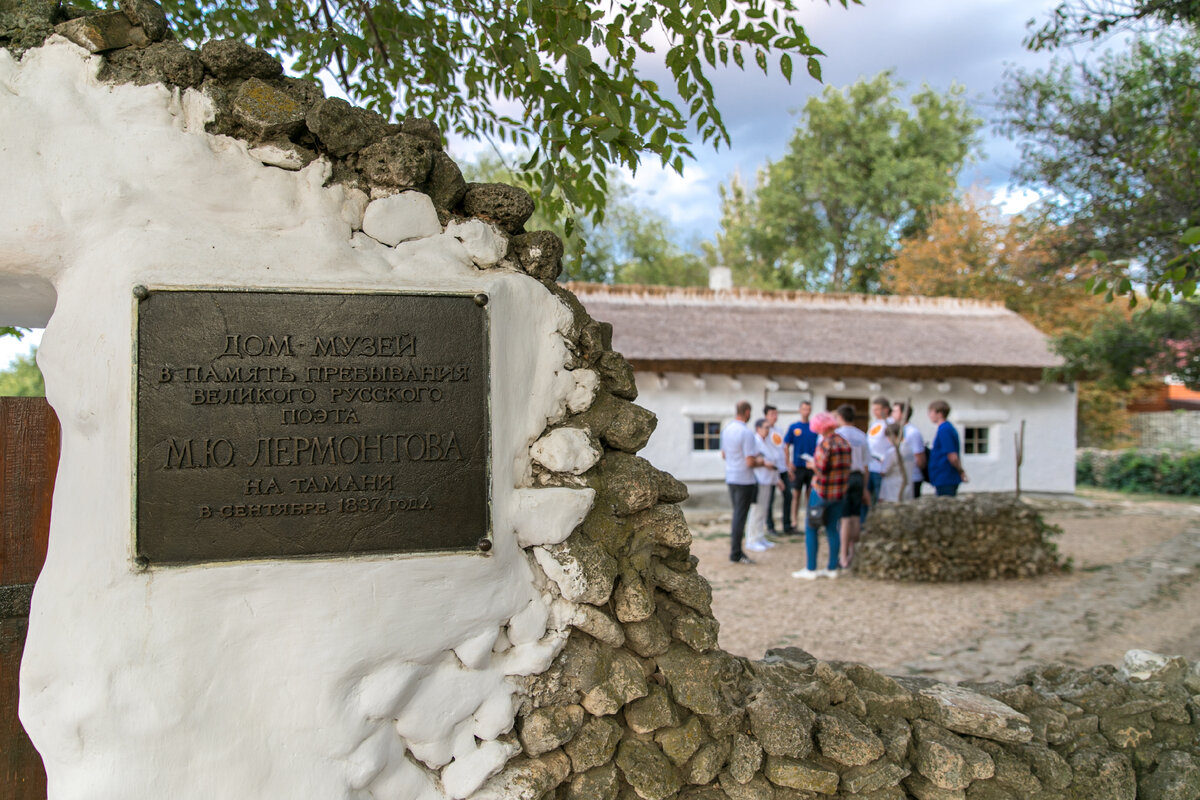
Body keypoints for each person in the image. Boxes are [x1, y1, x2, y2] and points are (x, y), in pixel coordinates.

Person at [791, 412, 849, 580]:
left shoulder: (825, 444)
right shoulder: (844, 442)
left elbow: (821, 469)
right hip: (839, 492)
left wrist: (811, 465)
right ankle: (832, 567)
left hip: (822, 491)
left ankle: (811, 568)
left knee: (811, 527)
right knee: (832, 528)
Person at [721, 400, 761, 563]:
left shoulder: (727, 429)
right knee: (740, 516)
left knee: (737, 513)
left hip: (731, 476)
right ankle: (736, 552)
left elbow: (724, 454)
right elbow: (750, 461)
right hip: (744, 479)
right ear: (747, 412)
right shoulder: (746, 432)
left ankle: (736, 550)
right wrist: (763, 462)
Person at [834, 404, 869, 568]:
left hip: (844, 476)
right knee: (856, 516)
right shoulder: (862, 435)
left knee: (845, 518)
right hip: (858, 476)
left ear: (840, 417)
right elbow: (866, 465)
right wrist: (865, 487)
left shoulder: (838, 435)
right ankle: (853, 552)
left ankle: (843, 556)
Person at [746, 418, 782, 552]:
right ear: (758, 428)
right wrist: (765, 463)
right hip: (759, 480)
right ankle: (752, 539)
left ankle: (760, 536)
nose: (768, 430)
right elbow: (753, 458)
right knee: (756, 511)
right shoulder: (754, 441)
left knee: (764, 510)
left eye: (769, 427)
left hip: (768, 479)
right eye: (765, 427)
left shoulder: (769, 441)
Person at [784, 400, 817, 531]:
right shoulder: (794, 427)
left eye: (808, 409)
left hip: (811, 467)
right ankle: (794, 521)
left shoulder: (814, 428)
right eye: (804, 409)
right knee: (796, 495)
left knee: (810, 495)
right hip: (798, 466)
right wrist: (788, 463)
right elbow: (786, 445)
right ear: (800, 410)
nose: (806, 412)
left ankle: (810, 521)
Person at [762, 405, 794, 535]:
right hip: (771, 470)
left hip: (782, 469)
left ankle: (787, 525)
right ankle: (770, 526)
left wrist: (788, 465)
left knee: (788, 496)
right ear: (766, 416)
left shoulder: (779, 430)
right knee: (769, 499)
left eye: (776, 414)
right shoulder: (764, 430)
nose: (775, 416)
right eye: (772, 414)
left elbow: (784, 448)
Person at [927, 399, 967, 496]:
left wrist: (960, 471)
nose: (929, 415)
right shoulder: (945, 428)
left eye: (931, 412)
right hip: (942, 476)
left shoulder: (945, 430)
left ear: (940, 414)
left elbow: (952, 455)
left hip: (946, 476)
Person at [890, 401, 926, 498]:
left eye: (895, 411)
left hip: (912, 477)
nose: (892, 413)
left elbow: (919, 457)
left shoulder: (912, 432)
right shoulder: (896, 429)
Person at [877, 422, 915, 502]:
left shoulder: (892, 451)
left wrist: (882, 463)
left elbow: (884, 471)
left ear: (893, 436)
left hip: (893, 491)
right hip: (908, 490)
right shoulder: (910, 449)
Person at [865, 396, 892, 507]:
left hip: (880, 468)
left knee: (878, 497)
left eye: (877, 409)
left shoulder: (890, 423)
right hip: (870, 466)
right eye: (874, 409)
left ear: (885, 410)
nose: (874, 412)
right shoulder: (875, 424)